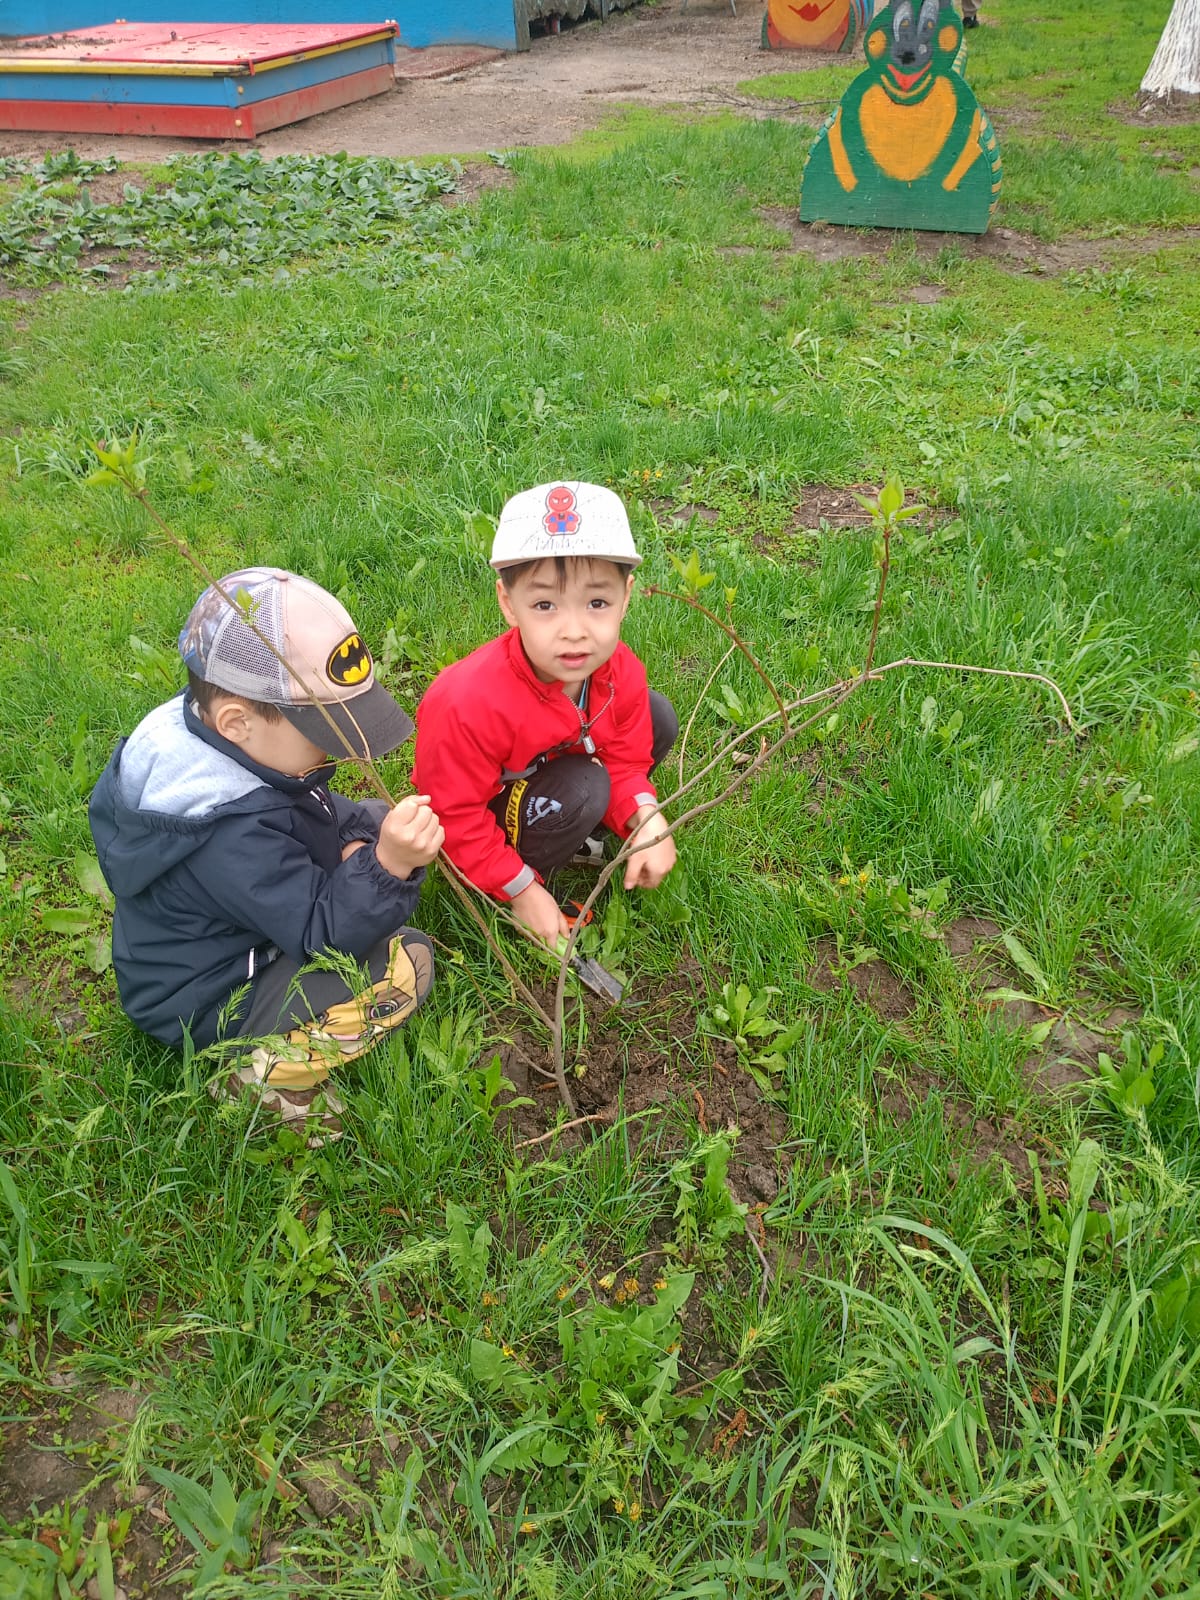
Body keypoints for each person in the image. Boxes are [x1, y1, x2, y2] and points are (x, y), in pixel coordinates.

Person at [89, 567, 443, 1145]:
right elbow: (323, 933)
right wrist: (387, 867)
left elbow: (314, 804)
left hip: (211, 949)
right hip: (207, 1000)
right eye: (321, 733)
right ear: (239, 722)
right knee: (406, 967)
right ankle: (258, 1075)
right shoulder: (229, 835)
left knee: (372, 830)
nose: (337, 753)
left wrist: (364, 835)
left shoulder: (226, 746)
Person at [414, 480, 677, 949]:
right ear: (507, 603)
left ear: (627, 596)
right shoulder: (465, 703)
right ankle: (535, 866)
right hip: (488, 815)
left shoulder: (620, 674)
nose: (573, 631)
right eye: (544, 605)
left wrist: (645, 815)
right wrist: (520, 888)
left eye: (597, 603)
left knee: (657, 716)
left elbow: (626, 759)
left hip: (551, 772)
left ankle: (582, 828)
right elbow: (452, 815)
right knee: (586, 788)